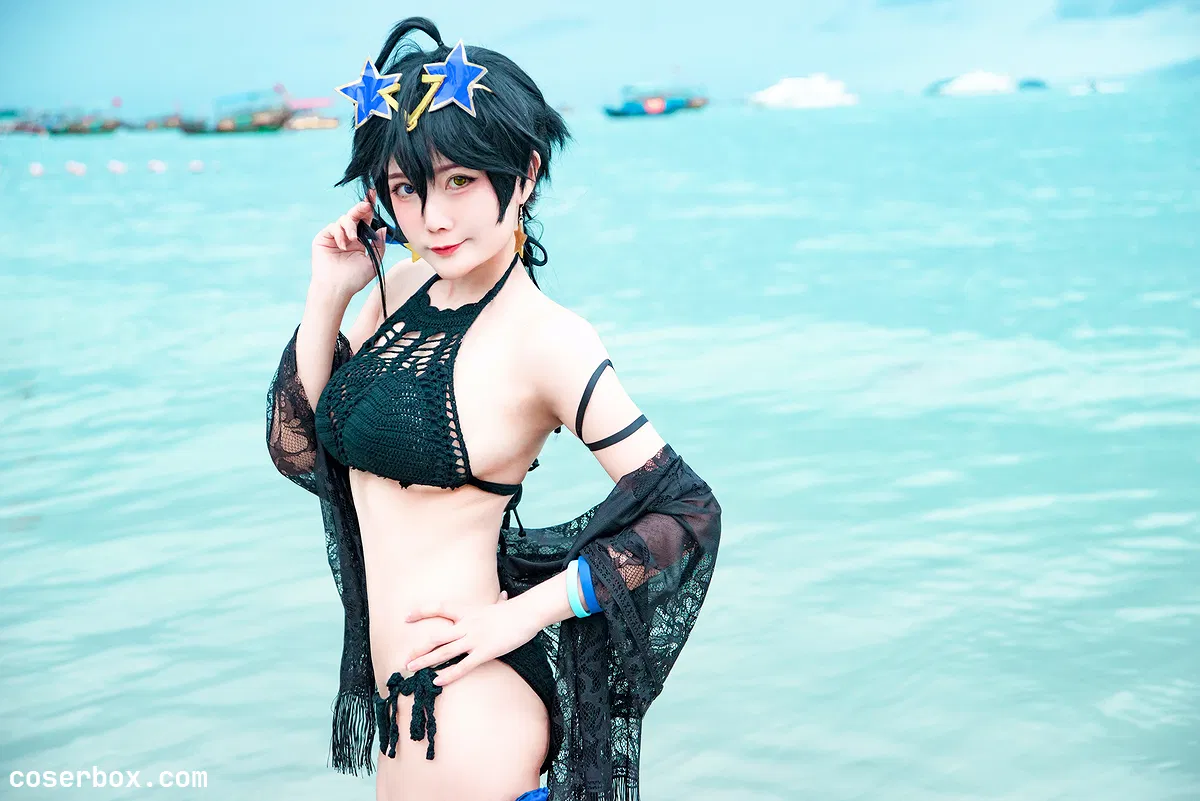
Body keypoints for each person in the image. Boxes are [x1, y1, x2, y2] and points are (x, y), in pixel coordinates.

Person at [265, 16, 721, 801]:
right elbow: (298, 448)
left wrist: (519, 617)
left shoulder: (548, 340)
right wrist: (327, 292)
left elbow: (687, 510)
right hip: (409, 712)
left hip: (470, 712)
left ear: (525, 175)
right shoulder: (395, 292)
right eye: (407, 188)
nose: (433, 218)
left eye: (460, 181)